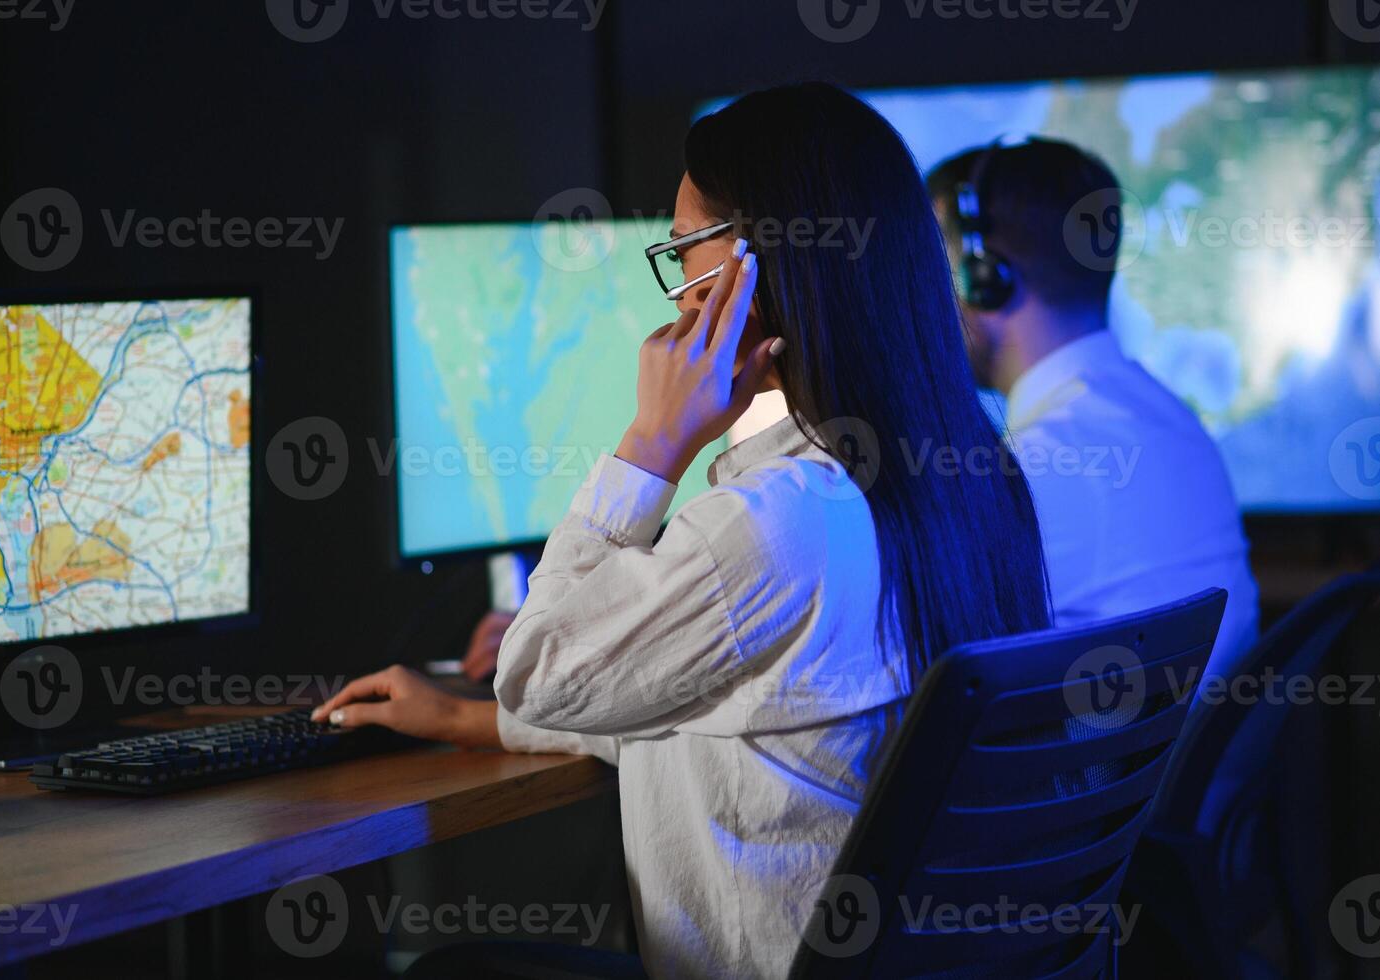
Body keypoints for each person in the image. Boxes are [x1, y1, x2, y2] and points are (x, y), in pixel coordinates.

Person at [315, 83, 1051, 979]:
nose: (676, 297)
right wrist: (470, 722)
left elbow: (538, 671)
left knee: (448, 970)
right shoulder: (964, 480)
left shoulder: (774, 526)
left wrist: (651, 446)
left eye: (682, 255)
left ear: (757, 272)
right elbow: (746, 720)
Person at [925, 138, 1260, 681]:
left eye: (931, 272)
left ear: (985, 277)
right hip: (1203, 765)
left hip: (1115, 763)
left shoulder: (1033, 470)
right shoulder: (1175, 420)